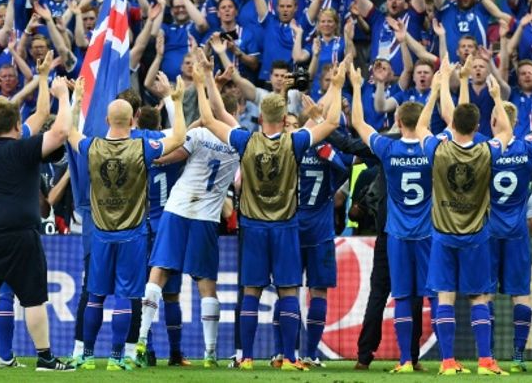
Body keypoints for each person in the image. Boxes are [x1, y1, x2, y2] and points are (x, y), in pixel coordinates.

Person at [194, 60, 343, 370]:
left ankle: (246, 358)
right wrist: (337, 86)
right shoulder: (295, 141)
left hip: (253, 227)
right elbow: (330, 125)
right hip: (286, 226)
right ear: (284, 118)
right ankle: (290, 357)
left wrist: (202, 80)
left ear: (261, 117)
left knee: (251, 290)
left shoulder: (245, 141)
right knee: (289, 290)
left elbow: (208, 118)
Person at [67, 79, 187, 371]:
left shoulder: (92, 146)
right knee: (126, 295)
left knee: (95, 294)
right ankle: (118, 356)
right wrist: (178, 101)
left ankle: (86, 355)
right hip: (133, 234)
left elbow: (68, 131)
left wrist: (76, 99)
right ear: (133, 120)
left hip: (101, 234)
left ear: (107, 119)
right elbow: (180, 138)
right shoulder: (142, 146)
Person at [136, 60, 242, 368]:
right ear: (236, 112)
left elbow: (172, 155)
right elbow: (220, 117)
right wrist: (209, 80)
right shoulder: (239, 141)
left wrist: (148, 159)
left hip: (178, 209)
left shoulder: (198, 137)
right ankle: (210, 353)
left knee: (159, 271)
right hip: (207, 217)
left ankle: (142, 339)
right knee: (206, 282)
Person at [348, 58, 441, 373]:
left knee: (381, 294)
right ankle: (411, 358)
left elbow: (359, 124)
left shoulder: (388, 148)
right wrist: (440, 89)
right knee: (417, 296)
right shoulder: (432, 150)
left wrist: (357, 85)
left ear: (399, 121)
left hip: (392, 235)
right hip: (425, 234)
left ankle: (364, 356)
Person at [0, 78, 72, 371]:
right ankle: (45, 358)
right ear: (19, 125)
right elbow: (61, 131)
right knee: (33, 299)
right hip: (20, 237)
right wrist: (64, 96)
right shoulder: (25, 149)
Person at [423, 63, 513, 376]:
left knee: (445, 296)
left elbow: (422, 128)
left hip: (443, 233)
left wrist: (436, 91)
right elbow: (507, 132)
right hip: (476, 234)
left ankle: (447, 362)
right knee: (479, 297)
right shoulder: (486, 151)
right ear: (476, 126)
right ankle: (485, 361)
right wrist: (497, 98)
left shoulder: (439, 149)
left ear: (452, 126)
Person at [482, 54, 532, 372]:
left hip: (487, 229)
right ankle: (518, 355)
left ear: (494, 123)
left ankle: (488, 355)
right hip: (516, 230)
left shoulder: (483, 149)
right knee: (519, 294)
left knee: (484, 295)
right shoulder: (527, 147)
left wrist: (494, 96)